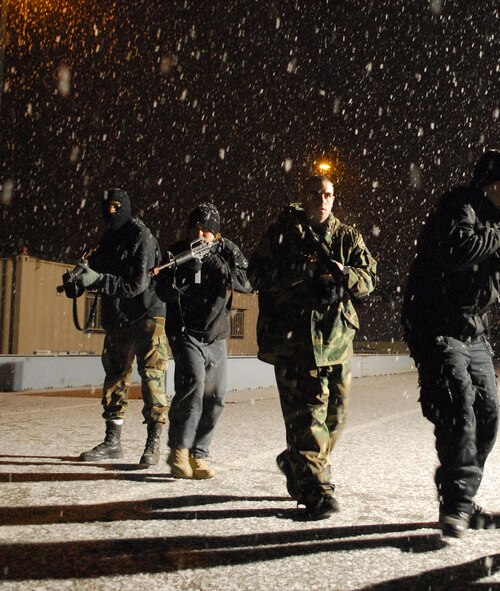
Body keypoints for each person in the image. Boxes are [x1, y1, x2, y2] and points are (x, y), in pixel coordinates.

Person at [401, 149, 500, 539]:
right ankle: (455, 507)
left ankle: (463, 498)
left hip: (473, 330)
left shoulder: (491, 220)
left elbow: (492, 282)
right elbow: (458, 251)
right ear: (487, 183)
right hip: (436, 325)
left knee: (488, 415)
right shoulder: (458, 205)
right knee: (457, 409)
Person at [248, 175, 377, 519]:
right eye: (316, 194)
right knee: (308, 419)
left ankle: (298, 464)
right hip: (297, 343)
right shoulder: (284, 234)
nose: (322, 200)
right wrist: (302, 277)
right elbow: (255, 273)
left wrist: (342, 275)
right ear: (305, 198)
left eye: (328, 194)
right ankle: (318, 490)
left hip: (337, 342)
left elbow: (368, 281)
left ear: (334, 199)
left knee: (336, 417)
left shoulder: (348, 237)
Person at [65, 188, 170, 466]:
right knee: (115, 378)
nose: (111, 211)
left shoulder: (141, 237)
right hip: (120, 318)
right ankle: (113, 441)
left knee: (152, 379)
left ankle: (153, 442)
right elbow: (95, 272)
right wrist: (77, 282)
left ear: (126, 207)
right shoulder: (107, 239)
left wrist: (97, 279)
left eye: (116, 206)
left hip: (148, 316)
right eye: (106, 206)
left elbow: (136, 285)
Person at [154, 203, 252, 479]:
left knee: (216, 396)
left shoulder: (227, 251)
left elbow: (247, 281)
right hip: (185, 332)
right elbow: (161, 289)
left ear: (216, 234)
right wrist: (184, 272)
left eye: (206, 230)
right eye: (195, 228)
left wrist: (216, 262)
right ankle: (179, 451)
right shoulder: (176, 251)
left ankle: (199, 453)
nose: (199, 233)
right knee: (192, 387)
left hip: (216, 335)